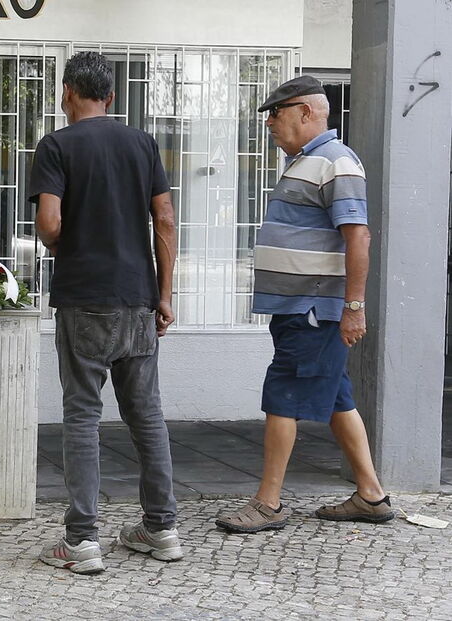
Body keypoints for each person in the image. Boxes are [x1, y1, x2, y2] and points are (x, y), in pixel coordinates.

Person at [216, 76, 394, 534]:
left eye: (277, 113)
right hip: (300, 307)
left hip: (314, 308)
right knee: (337, 398)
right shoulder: (307, 162)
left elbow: (359, 236)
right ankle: (371, 496)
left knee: (284, 394)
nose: (271, 123)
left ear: (307, 112)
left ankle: (269, 503)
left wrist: (353, 306)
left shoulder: (336, 162)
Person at [29, 52, 180, 574]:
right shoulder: (141, 143)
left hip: (83, 299)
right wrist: (163, 294)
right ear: (110, 97)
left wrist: (68, 242)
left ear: (67, 92)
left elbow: (49, 224)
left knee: (82, 415)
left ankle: (82, 540)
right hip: (138, 299)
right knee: (147, 414)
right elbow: (163, 217)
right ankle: (161, 528)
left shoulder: (57, 146)